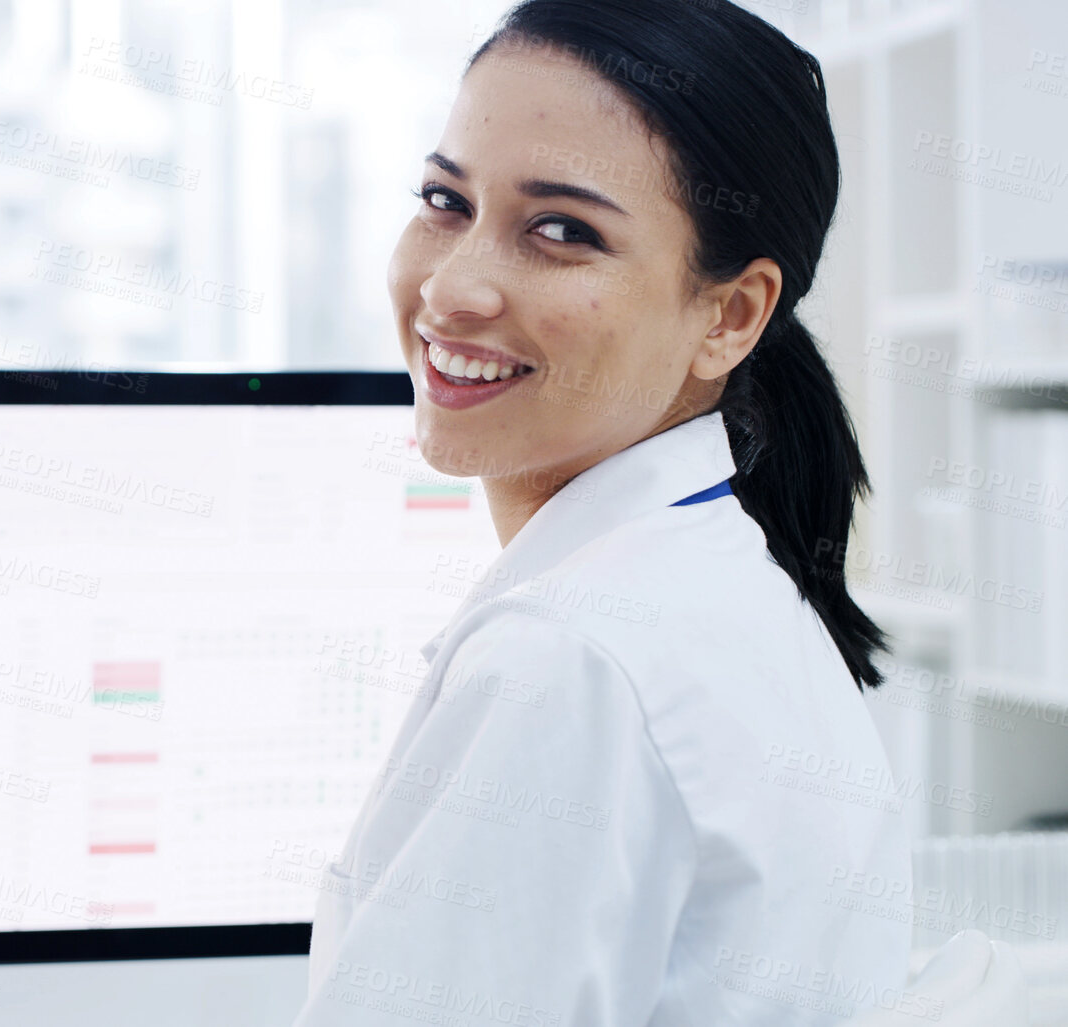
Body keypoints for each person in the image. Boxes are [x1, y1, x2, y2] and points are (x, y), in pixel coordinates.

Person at [294, 1, 916, 1023]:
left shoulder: (573, 657)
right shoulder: (714, 583)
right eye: (445, 200)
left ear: (731, 315)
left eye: (560, 230)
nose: (453, 289)